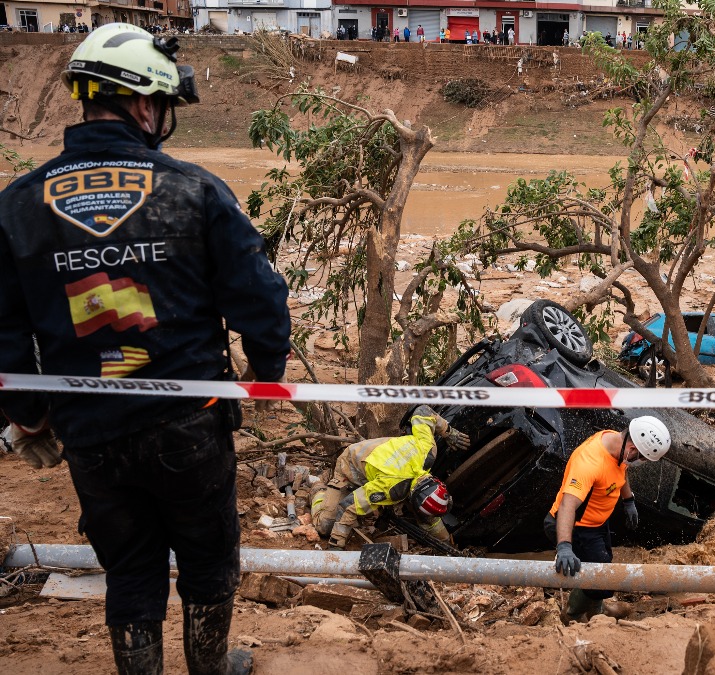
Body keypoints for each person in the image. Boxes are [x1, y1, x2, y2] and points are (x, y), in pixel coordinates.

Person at [0, 24, 291, 675]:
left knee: (130, 568)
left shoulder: (18, 205)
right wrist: (264, 370)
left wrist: (29, 410)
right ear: (141, 103)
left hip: (90, 428)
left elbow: (5, 331)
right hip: (187, 422)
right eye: (162, 105)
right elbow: (260, 297)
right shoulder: (196, 191)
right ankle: (210, 667)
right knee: (209, 559)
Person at [549, 416, 671, 622]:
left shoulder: (615, 443)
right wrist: (564, 546)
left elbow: (620, 471)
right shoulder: (589, 463)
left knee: (605, 566)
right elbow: (567, 505)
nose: (638, 462)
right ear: (632, 449)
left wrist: (628, 500)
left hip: (597, 523)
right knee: (601, 579)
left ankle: (596, 609)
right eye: (640, 458)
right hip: (576, 527)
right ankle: (572, 614)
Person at [309, 405, 469, 548]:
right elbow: (348, 505)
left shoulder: (428, 450)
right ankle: (317, 489)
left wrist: (449, 432)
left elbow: (422, 411)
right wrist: (336, 544)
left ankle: (445, 542)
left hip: (379, 462)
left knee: (426, 516)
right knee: (325, 526)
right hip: (350, 466)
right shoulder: (390, 487)